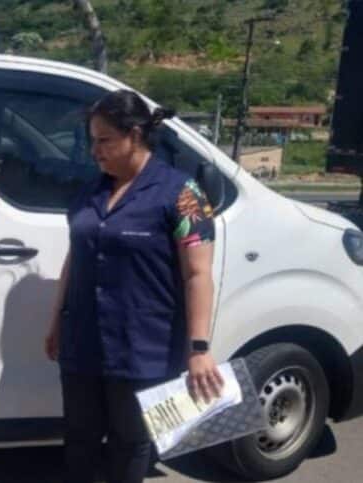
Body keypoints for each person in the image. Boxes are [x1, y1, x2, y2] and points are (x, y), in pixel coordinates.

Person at [44, 90, 224, 483]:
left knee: (132, 445)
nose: (95, 150)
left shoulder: (182, 193)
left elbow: (198, 274)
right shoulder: (90, 192)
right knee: (80, 441)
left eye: (105, 140)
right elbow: (75, 257)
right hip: (83, 344)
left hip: (145, 348)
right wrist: (57, 320)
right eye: (92, 140)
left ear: (136, 134)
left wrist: (198, 348)